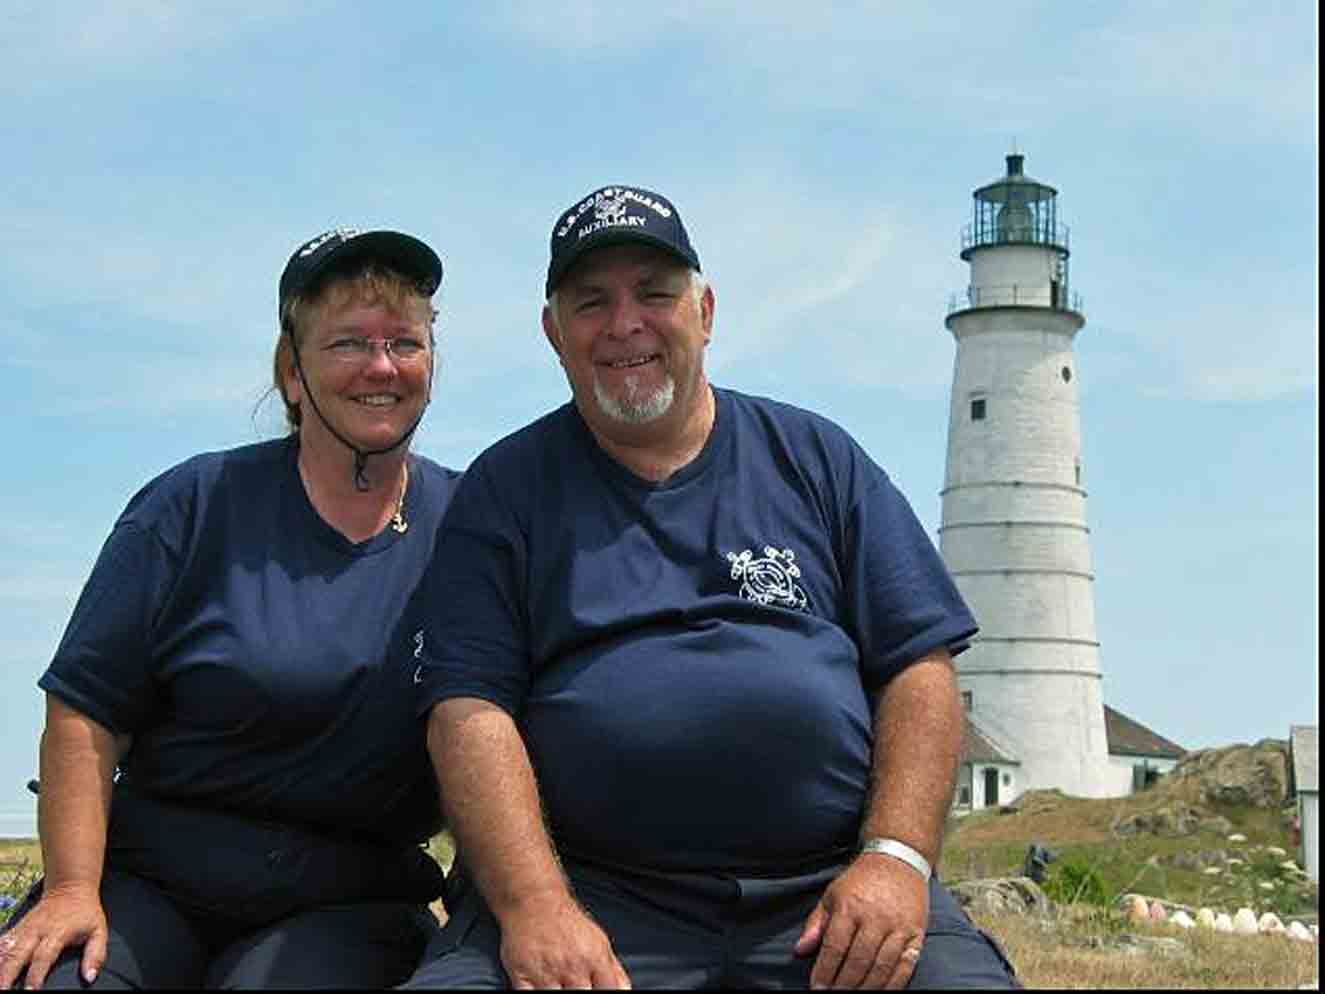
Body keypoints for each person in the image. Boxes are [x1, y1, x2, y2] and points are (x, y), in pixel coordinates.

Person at [403, 185, 1018, 989]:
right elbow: (466, 711)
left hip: (823, 889)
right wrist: (534, 907)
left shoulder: (817, 459)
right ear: (554, 332)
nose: (625, 323)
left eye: (654, 294)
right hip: (590, 892)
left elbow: (919, 666)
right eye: (592, 302)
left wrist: (894, 858)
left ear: (705, 312)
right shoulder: (504, 490)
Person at [0, 228, 462, 990]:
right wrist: (74, 890)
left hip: (350, 901)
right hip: (147, 883)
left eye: (404, 343)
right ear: (291, 371)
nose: (381, 366)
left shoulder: (472, 525)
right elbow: (85, 714)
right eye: (348, 343)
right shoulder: (191, 505)